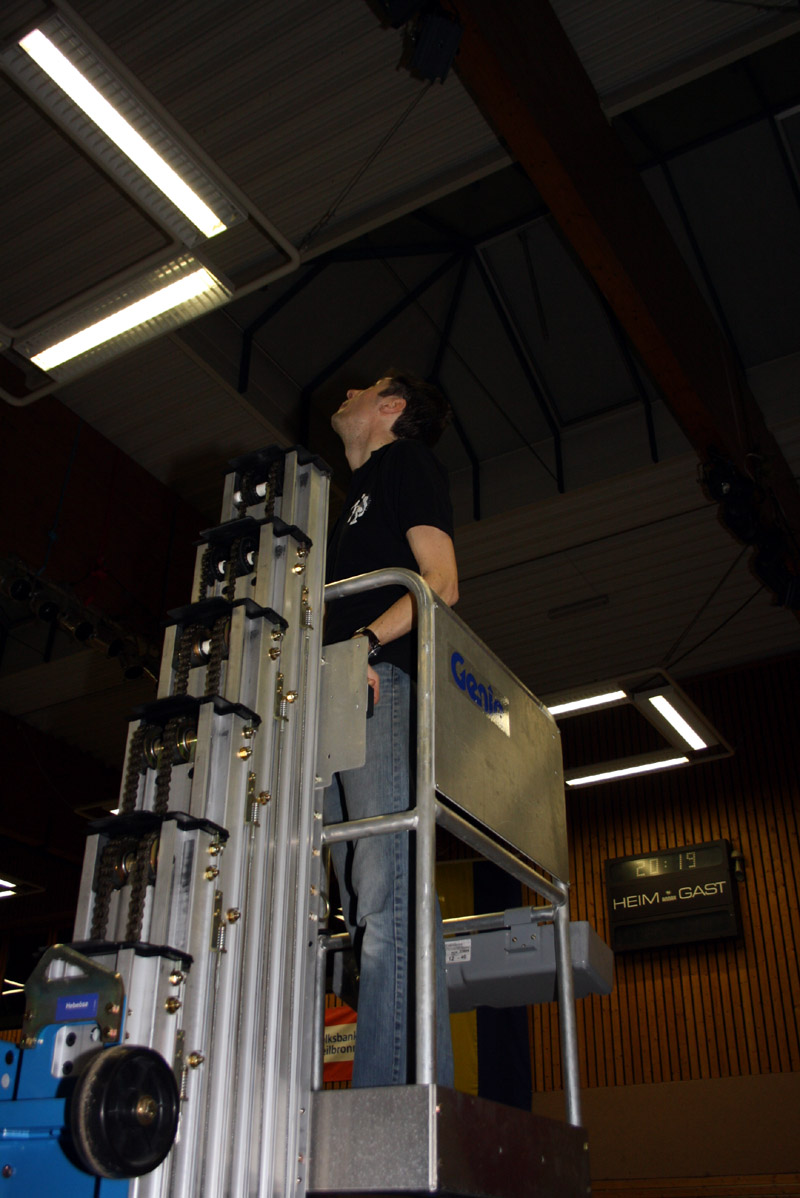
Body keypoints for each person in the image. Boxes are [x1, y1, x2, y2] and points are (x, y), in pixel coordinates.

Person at [323, 371, 458, 1088]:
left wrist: (365, 645)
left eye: (363, 387)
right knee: (360, 900)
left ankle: (397, 1093)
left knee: (386, 894)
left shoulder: (407, 462)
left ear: (391, 407)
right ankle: (402, 1080)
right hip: (339, 691)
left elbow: (440, 581)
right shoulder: (354, 500)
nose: (345, 393)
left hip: (379, 683)